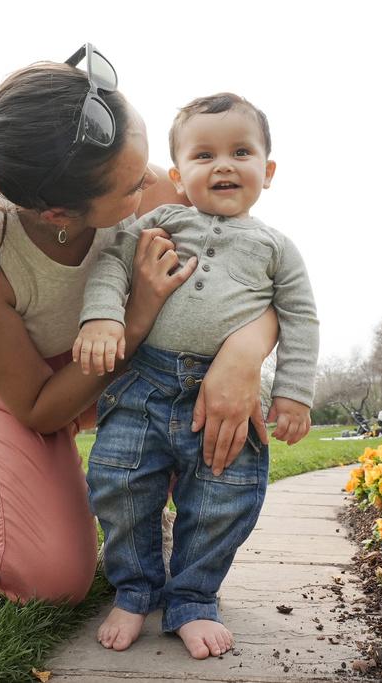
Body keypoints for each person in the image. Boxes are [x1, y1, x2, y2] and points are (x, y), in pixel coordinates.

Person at [0, 44, 278, 660]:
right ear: (59, 213)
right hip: (25, 392)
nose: (158, 186)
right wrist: (136, 320)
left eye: (148, 167)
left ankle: (144, 502)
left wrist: (243, 356)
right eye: (133, 186)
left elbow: (257, 274)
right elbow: (41, 409)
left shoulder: (151, 185)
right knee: (49, 578)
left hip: (126, 374)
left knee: (223, 413)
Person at [73, 93, 319, 658]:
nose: (224, 165)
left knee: (221, 500)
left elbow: (300, 317)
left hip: (222, 397)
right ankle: (135, 590)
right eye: (204, 155)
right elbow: (111, 261)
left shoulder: (277, 248)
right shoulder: (161, 220)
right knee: (119, 484)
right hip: (145, 384)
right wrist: (103, 316)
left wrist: (293, 393)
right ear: (179, 176)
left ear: (268, 171)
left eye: (241, 152)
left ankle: (191, 598)